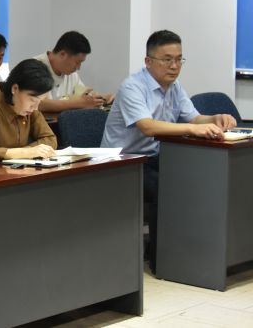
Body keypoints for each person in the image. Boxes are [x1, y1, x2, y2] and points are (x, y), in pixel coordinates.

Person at [101, 30, 235, 272]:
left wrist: (215, 118)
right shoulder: (132, 86)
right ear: (148, 61)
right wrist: (193, 129)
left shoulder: (174, 86)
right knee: (168, 186)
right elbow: (148, 127)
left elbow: (194, 118)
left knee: (199, 177)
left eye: (179, 59)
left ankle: (199, 250)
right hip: (123, 162)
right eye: (167, 59)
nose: (174, 66)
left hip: (156, 157)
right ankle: (164, 260)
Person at [0, 59, 57, 163]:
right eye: (32, 100)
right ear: (15, 89)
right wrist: (25, 153)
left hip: (16, 169)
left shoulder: (30, 110)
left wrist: (28, 151)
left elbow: (50, 138)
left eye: (40, 101)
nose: (35, 107)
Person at [34, 31, 114, 114]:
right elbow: (38, 103)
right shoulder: (34, 67)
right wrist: (79, 103)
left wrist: (102, 98)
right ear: (62, 54)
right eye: (77, 62)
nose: (78, 67)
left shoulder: (70, 72)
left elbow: (83, 92)